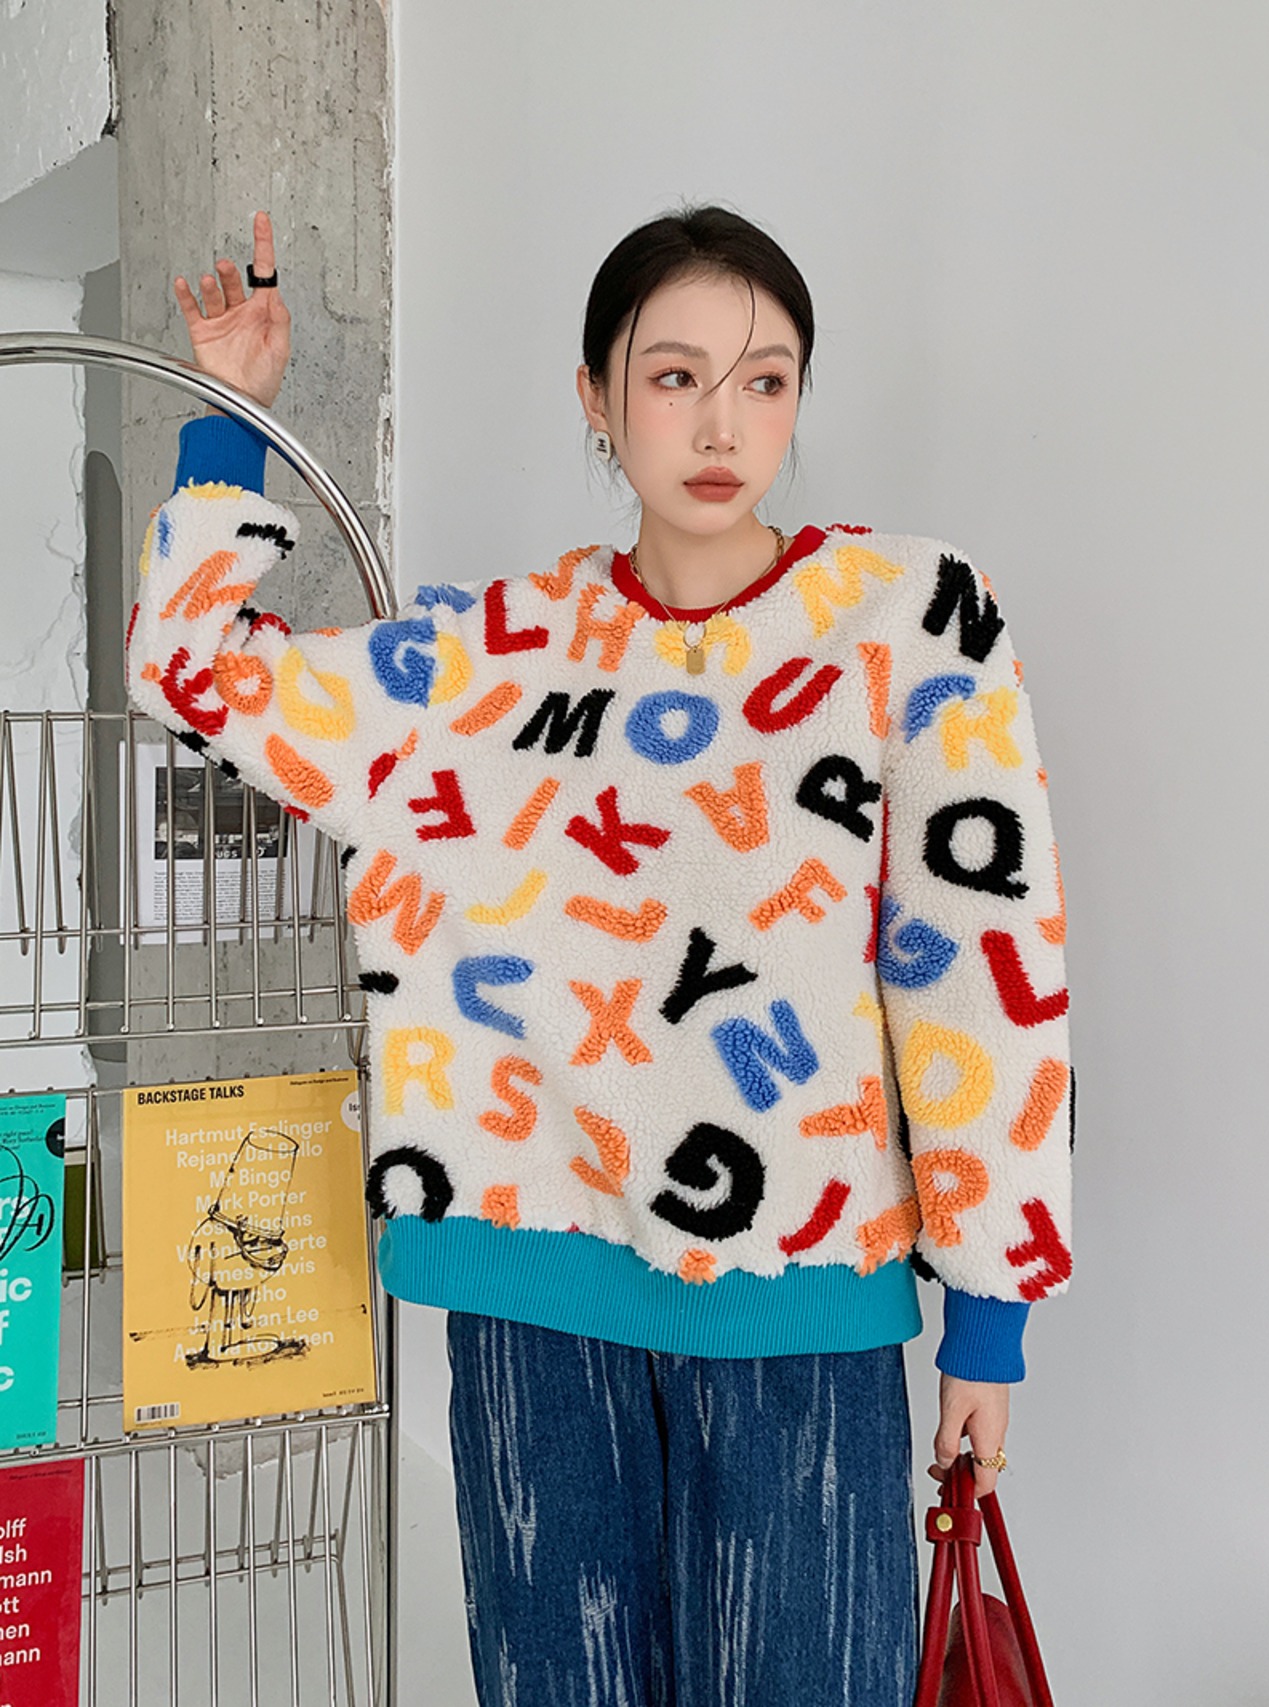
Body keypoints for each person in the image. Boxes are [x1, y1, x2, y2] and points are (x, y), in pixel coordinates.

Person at [129, 205, 1073, 1706]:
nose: (722, 425)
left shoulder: (907, 622)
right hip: (534, 1300)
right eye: (675, 376)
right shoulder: (487, 661)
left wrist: (992, 1318)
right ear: (597, 393)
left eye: (765, 381)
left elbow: (976, 964)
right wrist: (232, 412)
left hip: (803, 1299)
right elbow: (193, 675)